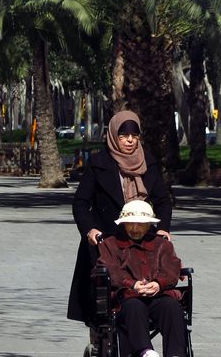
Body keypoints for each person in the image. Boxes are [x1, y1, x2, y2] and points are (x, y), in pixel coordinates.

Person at [69, 111, 172, 324]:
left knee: (144, 290)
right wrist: (90, 229)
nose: (130, 140)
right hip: (106, 239)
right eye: (124, 135)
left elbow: (162, 200)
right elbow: (80, 202)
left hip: (140, 238)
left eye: (134, 135)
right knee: (102, 301)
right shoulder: (99, 163)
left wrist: (163, 228)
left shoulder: (148, 163)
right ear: (114, 136)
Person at [97, 200, 188, 357]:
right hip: (126, 297)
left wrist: (158, 284)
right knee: (134, 306)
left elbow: (172, 268)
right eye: (131, 224)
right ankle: (147, 353)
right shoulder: (110, 244)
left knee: (171, 306)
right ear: (124, 224)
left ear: (149, 225)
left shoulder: (163, 244)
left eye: (141, 224)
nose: (136, 229)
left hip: (158, 295)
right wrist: (133, 284)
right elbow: (110, 269)